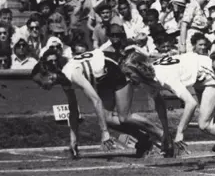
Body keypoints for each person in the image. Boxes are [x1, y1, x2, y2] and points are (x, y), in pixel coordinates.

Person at [31, 48, 166, 159]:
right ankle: (144, 140)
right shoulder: (64, 78)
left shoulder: (71, 74)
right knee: (107, 118)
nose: (41, 87)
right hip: (103, 78)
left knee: (124, 117)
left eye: (39, 82)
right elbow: (73, 110)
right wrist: (73, 139)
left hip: (114, 69)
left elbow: (96, 100)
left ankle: (162, 135)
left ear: (48, 75)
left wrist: (104, 132)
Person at [120, 50, 215, 158]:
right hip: (199, 75)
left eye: (129, 74)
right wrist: (165, 133)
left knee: (205, 124)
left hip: (209, 71)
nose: (127, 79)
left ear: (138, 69)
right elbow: (159, 103)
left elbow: (191, 103)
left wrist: (180, 131)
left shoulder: (163, 76)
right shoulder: (147, 79)